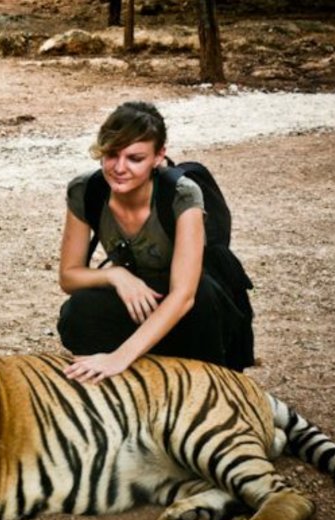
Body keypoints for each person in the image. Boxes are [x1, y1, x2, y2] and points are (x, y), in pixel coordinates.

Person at [57, 101, 249, 384]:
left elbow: (184, 295)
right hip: (142, 295)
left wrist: (120, 357)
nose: (119, 168)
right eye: (111, 155)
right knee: (77, 312)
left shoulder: (181, 194)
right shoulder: (87, 190)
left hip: (196, 309)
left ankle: (206, 383)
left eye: (135, 158)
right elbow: (69, 277)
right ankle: (130, 388)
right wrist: (116, 275)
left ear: (159, 156)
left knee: (203, 296)